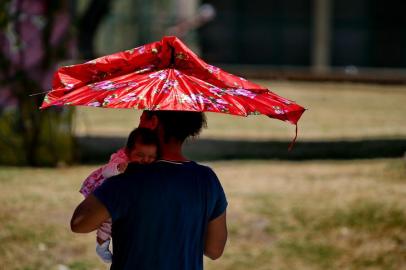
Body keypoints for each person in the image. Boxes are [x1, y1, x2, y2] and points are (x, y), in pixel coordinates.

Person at [71, 110, 228, 270]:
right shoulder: (207, 179)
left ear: (152, 122)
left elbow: (79, 223)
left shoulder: (128, 178)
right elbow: (214, 250)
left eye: (142, 117)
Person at [79, 127, 159, 263]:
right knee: (107, 224)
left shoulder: (147, 166)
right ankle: (101, 245)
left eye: (151, 157)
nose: (145, 160)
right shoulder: (121, 160)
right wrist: (118, 168)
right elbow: (106, 172)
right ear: (128, 152)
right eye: (140, 155)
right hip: (109, 197)